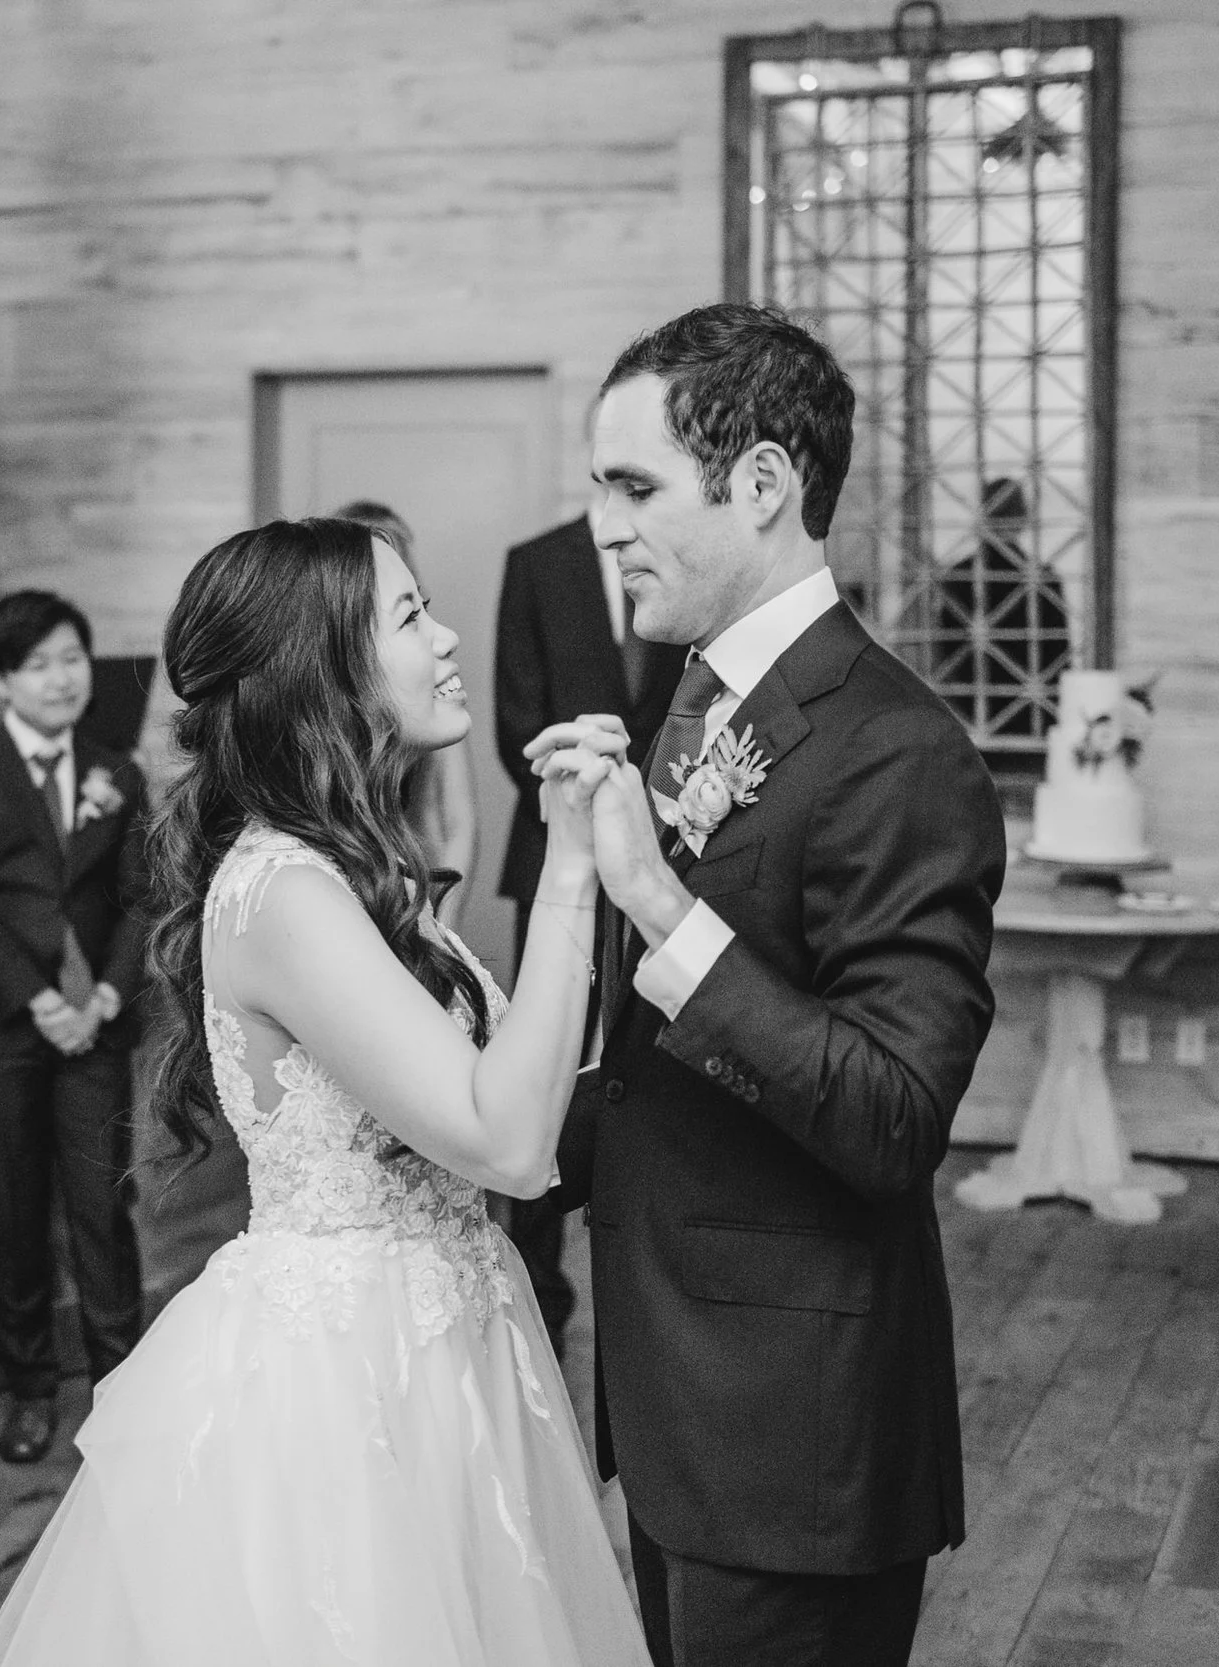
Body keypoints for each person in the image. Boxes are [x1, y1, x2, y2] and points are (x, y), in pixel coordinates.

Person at [0, 518, 645, 1666]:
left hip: (449, 1340)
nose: (444, 641)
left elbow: (499, 1088)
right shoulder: (285, 891)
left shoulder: (354, 868)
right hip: (347, 1382)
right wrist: (574, 865)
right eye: (409, 616)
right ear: (321, 668)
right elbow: (507, 1135)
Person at [533, 302, 1006, 1667]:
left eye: (633, 488)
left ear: (761, 484)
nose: (604, 529)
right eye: (596, 490)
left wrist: (661, 907)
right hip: (682, 1396)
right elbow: (648, 1066)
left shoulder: (897, 747)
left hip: (794, 1429)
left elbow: (894, 1111)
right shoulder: (702, 698)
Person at [0, 591, 150, 1467]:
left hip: (95, 1026)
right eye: (39, 664)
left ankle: (120, 1387)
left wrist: (104, 997)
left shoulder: (117, 773)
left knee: (102, 1209)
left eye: (72, 658)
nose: (62, 678)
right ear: (0, 680)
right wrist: (39, 999)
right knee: (12, 1214)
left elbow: (139, 897)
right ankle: (27, 1389)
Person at [493, 500, 687, 1357]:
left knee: (651, 1065)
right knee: (551, 1062)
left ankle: (649, 1276)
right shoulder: (538, 559)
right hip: (553, 846)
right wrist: (583, 790)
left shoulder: (687, 553)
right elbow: (513, 718)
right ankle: (540, 1289)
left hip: (670, 848)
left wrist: (643, 821)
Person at [331, 501, 481, 927]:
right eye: (407, 615)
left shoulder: (435, 694)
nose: (447, 639)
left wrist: (440, 927)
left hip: (418, 877)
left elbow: (459, 823)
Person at [927, 477, 1071, 741]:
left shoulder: (958, 576)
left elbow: (943, 656)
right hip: (1034, 719)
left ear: (982, 515)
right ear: (1024, 517)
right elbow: (1060, 658)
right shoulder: (1044, 578)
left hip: (969, 716)